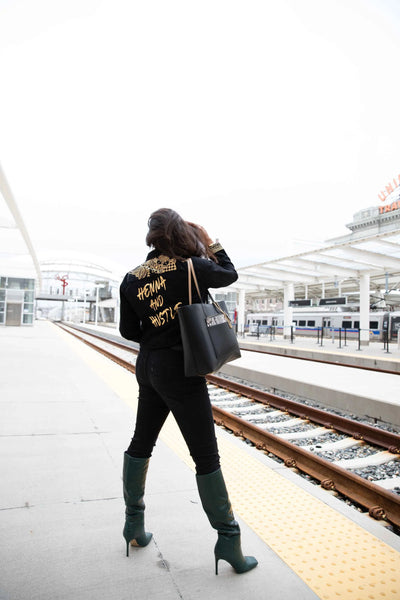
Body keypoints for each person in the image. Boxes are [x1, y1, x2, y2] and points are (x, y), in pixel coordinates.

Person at [119, 208, 258, 575]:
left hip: (148, 368)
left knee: (141, 442)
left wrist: (156, 331)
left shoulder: (132, 278)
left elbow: (128, 331)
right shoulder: (193, 266)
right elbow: (229, 273)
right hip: (182, 371)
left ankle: (133, 525)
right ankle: (229, 541)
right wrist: (210, 241)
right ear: (179, 234)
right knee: (206, 457)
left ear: (151, 238)